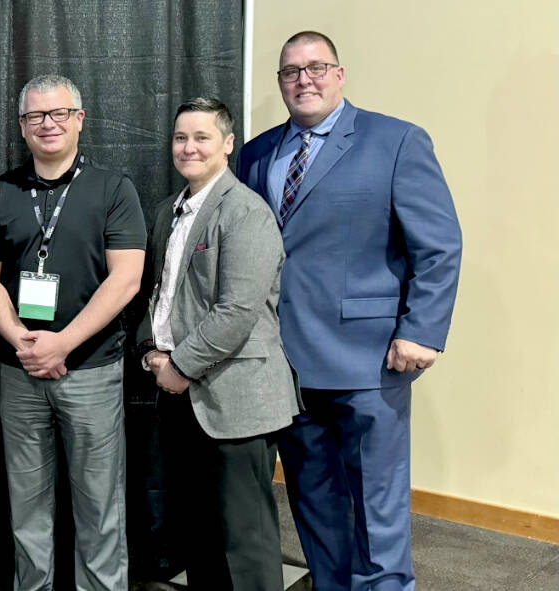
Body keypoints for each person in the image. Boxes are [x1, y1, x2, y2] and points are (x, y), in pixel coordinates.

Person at [237, 31, 462, 591]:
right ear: (281, 83)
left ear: (339, 75)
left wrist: (422, 332)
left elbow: (438, 247)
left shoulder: (396, 141)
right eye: (290, 71)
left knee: (378, 505)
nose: (303, 79)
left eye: (316, 68)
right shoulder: (255, 153)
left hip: (370, 359)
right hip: (284, 363)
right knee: (313, 500)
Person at [0, 74, 146, 591]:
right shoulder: (0, 191)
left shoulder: (114, 189)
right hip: (19, 373)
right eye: (35, 116)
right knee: (26, 504)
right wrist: (24, 342)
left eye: (58, 113)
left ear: (79, 120)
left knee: (99, 503)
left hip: (90, 370)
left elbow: (127, 278)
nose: (47, 124)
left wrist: (62, 343)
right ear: (22, 126)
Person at [136, 97, 300, 590]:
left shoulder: (247, 212)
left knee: (243, 537)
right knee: (200, 532)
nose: (189, 147)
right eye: (181, 137)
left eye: (202, 137)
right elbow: (158, 294)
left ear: (228, 144)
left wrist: (179, 366)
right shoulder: (169, 210)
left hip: (236, 397)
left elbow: (237, 312)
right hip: (181, 397)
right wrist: (150, 350)